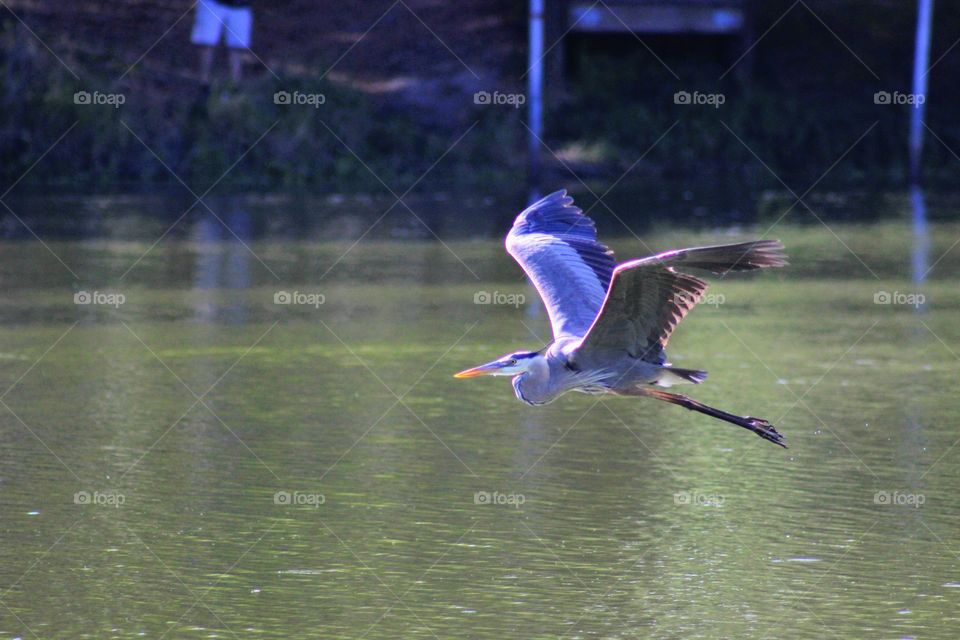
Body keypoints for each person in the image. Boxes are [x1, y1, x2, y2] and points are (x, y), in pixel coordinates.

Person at [190, 0, 253, 84]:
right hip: (212, 4)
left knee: (237, 47)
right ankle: (203, 83)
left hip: (241, 6)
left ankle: (234, 85)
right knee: (206, 43)